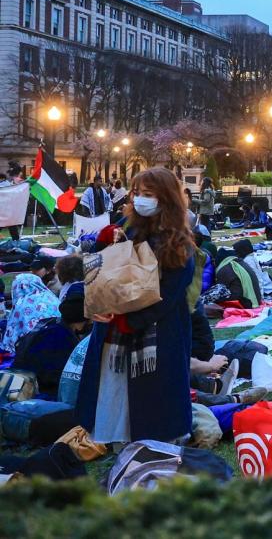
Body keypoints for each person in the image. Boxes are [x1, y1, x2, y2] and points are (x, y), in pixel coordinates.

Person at [77, 167, 198, 445]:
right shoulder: (128, 226)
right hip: (114, 335)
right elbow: (103, 268)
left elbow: (169, 296)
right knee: (116, 398)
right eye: (137, 193)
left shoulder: (178, 242)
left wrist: (128, 321)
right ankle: (125, 451)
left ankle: (156, 453)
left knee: (154, 409)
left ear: (165, 198)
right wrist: (102, 242)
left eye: (149, 194)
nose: (140, 199)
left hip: (156, 336)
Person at [0, 273, 61, 354]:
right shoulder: (51, 297)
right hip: (58, 340)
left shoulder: (22, 304)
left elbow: (12, 334)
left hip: (32, 347)